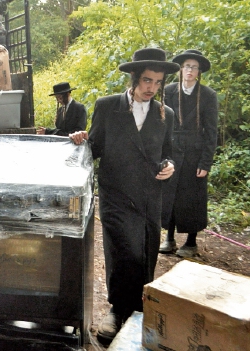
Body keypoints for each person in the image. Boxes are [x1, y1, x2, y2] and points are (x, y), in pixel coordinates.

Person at [69, 47, 178, 343]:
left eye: (158, 83)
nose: (151, 88)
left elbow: (168, 152)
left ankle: (139, 312)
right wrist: (80, 140)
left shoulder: (165, 113)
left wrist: (169, 165)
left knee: (146, 253)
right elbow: (95, 148)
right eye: (146, 81)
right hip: (116, 193)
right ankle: (118, 310)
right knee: (124, 251)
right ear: (134, 78)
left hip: (149, 196)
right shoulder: (108, 106)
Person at [160, 50, 218, 258]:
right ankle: (169, 238)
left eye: (194, 67)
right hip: (172, 150)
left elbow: (211, 132)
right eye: (186, 66)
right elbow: (161, 122)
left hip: (195, 153)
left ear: (199, 71)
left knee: (192, 197)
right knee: (170, 195)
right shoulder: (168, 91)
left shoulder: (208, 95)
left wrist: (206, 161)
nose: (189, 71)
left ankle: (191, 242)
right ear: (181, 69)